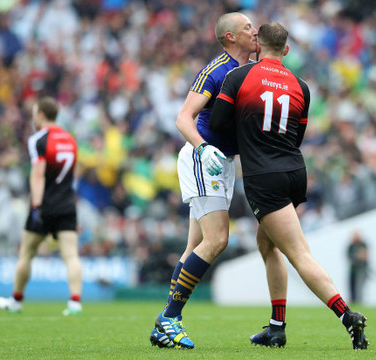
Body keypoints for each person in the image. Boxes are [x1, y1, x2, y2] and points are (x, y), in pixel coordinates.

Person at [210, 22, 369, 350]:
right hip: (294, 171)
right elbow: (296, 135)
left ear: (258, 47)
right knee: (268, 245)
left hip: (262, 176)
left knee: (298, 253)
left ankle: (347, 315)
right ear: (286, 50)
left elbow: (218, 124)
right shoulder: (301, 86)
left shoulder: (238, 77)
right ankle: (276, 328)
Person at [149, 12, 280, 350]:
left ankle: (165, 321)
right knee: (217, 239)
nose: (255, 30)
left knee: (196, 246)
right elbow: (183, 117)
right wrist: (203, 148)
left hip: (223, 163)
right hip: (203, 160)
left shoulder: (251, 71)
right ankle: (169, 318)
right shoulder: (215, 70)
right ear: (230, 38)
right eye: (248, 27)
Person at [0, 96, 83, 316]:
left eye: (35, 113)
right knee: (71, 255)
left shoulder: (38, 139)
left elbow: (38, 175)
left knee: (26, 253)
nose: (33, 118)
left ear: (42, 115)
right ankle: (75, 302)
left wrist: (36, 207)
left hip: (44, 204)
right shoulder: (70, 139)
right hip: (66, 203)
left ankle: (16, 300)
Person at [347, 230, 368, 303]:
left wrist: (357, 257)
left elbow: (364, 256)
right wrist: (358, 256)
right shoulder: (351, 245)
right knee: (351, 288)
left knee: (359, 287)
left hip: (362, 270)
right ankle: (353, 302)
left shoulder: (363, 244)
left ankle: (359, 302)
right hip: (353, 270)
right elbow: (349, 257)